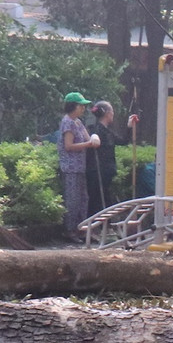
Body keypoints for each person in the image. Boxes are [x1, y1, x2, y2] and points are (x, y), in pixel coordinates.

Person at [56, 91, 101, 238]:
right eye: (81, 106)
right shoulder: (67, 122)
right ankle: (69, 230)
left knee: (83, 198)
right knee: (72, 199)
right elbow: (68, 146)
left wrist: (93, 139)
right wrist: (89, 144)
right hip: (70, 168)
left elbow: (88, 138)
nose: (83, 109)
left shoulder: (78, 122)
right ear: (73, 106)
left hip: (80, 167)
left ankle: (81, 229)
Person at [86, 100, 121, 210]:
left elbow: (123, 141)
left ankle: (107, 223)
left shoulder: (108, 132)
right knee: (97, 198)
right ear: (107, 113)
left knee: (105, 196)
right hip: (98, 170)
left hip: (106, 170)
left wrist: (130, 127)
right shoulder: (95, 130)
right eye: (112, 111)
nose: (113, 114)